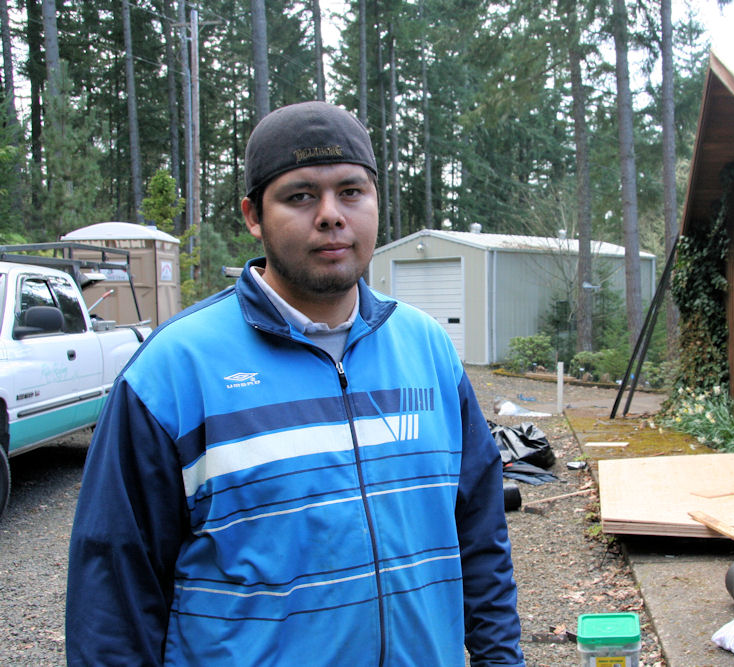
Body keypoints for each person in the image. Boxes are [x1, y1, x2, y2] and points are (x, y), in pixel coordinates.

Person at [66, 101, 524, 666]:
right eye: (301, 196)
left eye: (351, 192)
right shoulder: (172, 372)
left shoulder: (428, 351)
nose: (331, 215)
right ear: (253, 216)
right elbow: (114, 592)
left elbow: (480, 534)